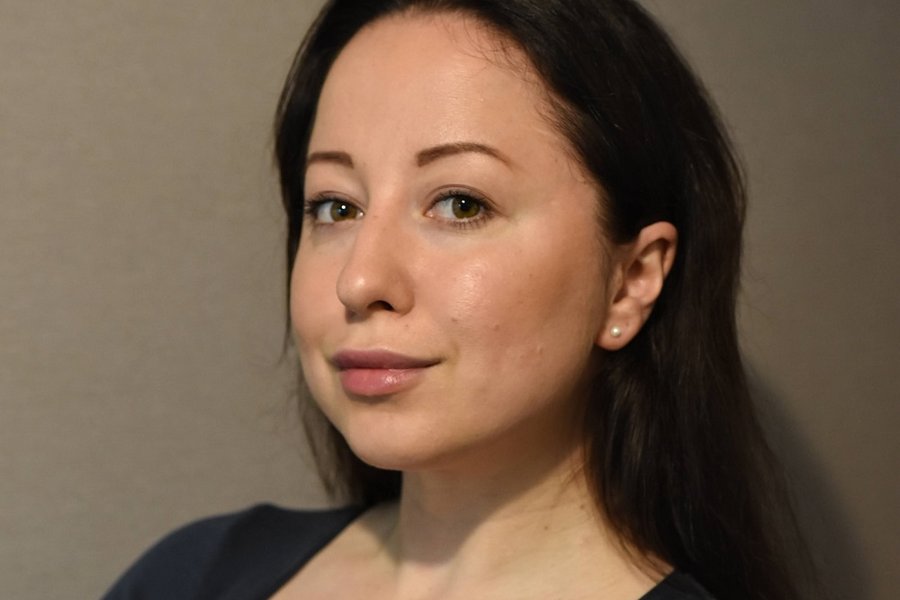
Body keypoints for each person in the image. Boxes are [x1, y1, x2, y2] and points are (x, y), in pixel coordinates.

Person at [105, 1, 815, 598]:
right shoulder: (195, 575)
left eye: (460, 203)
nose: (360, 281)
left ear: (630, 281)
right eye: (335, 207)